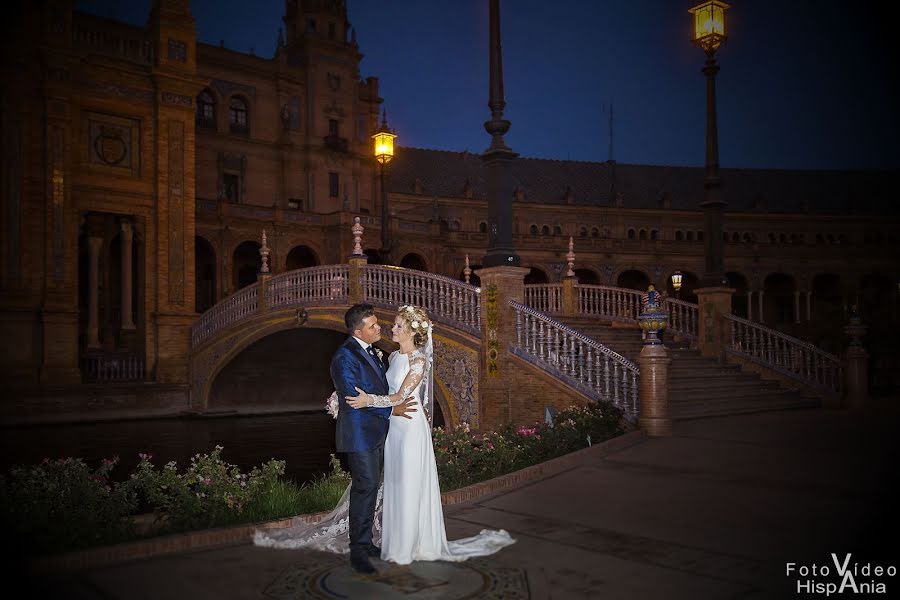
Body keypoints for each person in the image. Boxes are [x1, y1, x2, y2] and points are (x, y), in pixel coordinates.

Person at [344, 305, 515, 564]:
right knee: (395, 483)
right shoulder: (392, 358)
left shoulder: (418, 361)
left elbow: (401, 396)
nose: (393, 328)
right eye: (396, 324)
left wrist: (368, 401)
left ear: (412, 332)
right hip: (394, 428)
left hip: (410, 428)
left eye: (399, 326)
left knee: (410, 482)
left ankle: (410, 546)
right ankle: (395, 542)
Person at [253, 303, 415, 574]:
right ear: (359, 331)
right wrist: (392, 408)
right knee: (365, 489)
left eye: (377, 323)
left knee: (371, 488)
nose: (379, 328)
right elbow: (354, 399)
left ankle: (366, 542)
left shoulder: (372, 351)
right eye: (373, 325)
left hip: (377, 431)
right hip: (360, 435)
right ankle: (359, 552)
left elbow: (379, 388)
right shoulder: (344, 358)